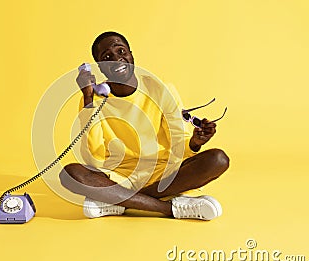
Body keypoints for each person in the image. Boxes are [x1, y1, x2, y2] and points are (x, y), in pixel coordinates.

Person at [59, 31, 229, 220]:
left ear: (131, 54)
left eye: (121, 51)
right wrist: (89, 98)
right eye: (107, 57)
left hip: (164, 174)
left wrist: (195, 143)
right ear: (100, 67)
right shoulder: (94, 101)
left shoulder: (160, 89)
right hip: (121, 178)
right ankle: (168, 208)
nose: (117, 59)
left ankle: (118, 202)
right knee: (69, 174)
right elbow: (95, 159)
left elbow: (179, 142)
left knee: (218, 159)